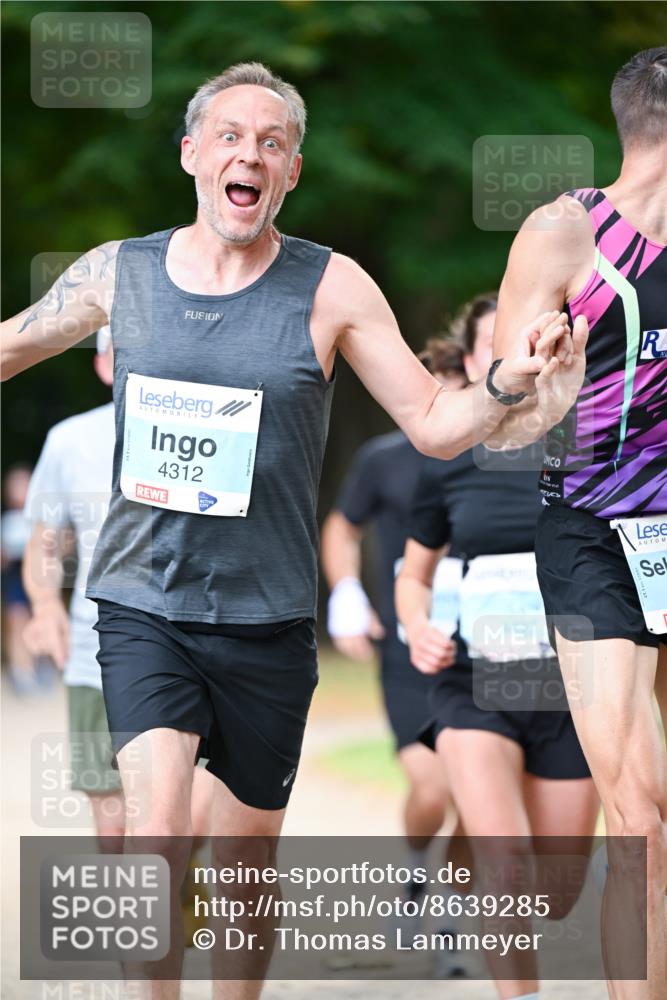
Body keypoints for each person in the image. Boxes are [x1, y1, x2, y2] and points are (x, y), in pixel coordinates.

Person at [1, 62, 580, 998]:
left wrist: (510, 384)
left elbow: (432, 423)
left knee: (241, 874)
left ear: (292, 172)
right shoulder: (123, 272)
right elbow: (11, 345)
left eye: (271, 142)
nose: (249, 154)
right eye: (229, 135)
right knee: (155, 839)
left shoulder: (332, 288)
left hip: (267, 623)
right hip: (143, 604)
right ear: (191, 153)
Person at [486, 47, 667, 1000]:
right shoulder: (565, 235)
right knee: (636, 812)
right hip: (596, 526)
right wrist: (534, 379)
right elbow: (500, 407)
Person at [396, 292, 600, 1000]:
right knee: (504, 862)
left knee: (554, 895)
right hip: (474, 683)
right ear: (476, 362)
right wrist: (415, 622)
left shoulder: (591, 442)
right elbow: (412, 574)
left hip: (575, 692)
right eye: (496, 348)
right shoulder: (451, 455)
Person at [21, 327, 216, 931]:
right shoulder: (69, 439)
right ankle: (145, 920)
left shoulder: (206, 426)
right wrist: (46, 608)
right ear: (104, 364)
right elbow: (47, 543)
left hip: (198, 642)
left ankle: (173, 881)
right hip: (94, 648)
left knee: (187, 806)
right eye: (117, 352)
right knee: (112, 816)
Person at [322, 338, 469, 968]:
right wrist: (348, 593)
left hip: (486, 647)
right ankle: (414, 876)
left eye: (451, 385)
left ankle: (452, 921)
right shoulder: (384, 460)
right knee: (432, 785)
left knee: (481, 791)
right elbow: (341, 527)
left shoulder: (502, 458)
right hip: (408, 648)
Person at [1, 463, 41, 693]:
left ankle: (36, 667)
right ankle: (21, 672)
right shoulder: (7, 521)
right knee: (17, 624)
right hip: (15, 580)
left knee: (35, 625)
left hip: (37, 581)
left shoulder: (37, 518)